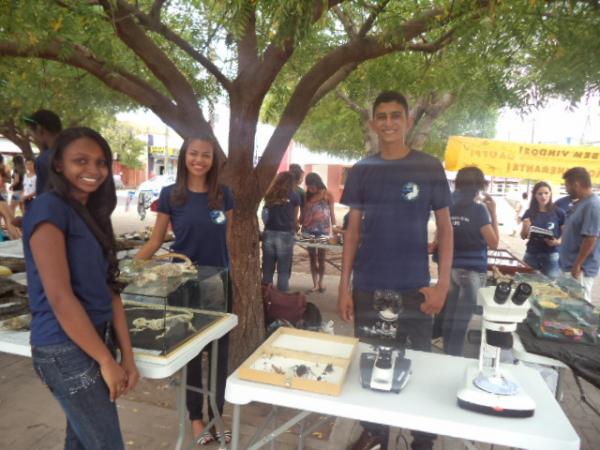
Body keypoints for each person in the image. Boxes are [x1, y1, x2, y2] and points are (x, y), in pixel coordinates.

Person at [338, 90, 453, 450]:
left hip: (415, 288)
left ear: (407, 121)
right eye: (382, 116)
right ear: (374, 122)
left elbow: (446, 228)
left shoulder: (428, 167)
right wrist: (344, 287)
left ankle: (422, 438)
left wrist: (443, 284)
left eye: (395, 116)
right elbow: (352, 231)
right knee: (370, 365)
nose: (388, 123)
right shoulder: (362, 170)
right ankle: (376, 433)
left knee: (419, 365)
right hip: (369, 286)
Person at [23, 127, 139, 449]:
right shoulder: (49, 208)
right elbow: (60, 297)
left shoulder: (90, 213)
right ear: (58, 164)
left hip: (94, 340)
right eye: (81, 160)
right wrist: (105, 360)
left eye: (101, 162)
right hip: (64, 348)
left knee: (81, 440)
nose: (93, 170)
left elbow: (110, 291)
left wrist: (127, 358)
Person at [135, 135, 234, 445]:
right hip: (182, 285)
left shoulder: (224, 195)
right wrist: (126, 270)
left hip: (218, 284)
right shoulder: (170, 196)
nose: (199, 160)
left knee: (219, 355)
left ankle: (216, 415)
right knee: (190, 354)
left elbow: (226, 241)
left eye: (206, 155)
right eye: (194, 154)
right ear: (184, 157)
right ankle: (195, 418)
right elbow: (155, 241)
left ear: (213, 161)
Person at [439, 167, 498, 356]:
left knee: (450, 316)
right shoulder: (479, 210)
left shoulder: (449, 206)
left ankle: (447, 354)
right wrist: (493, 213)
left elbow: (440, 236)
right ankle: (453, 359)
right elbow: (494, 242)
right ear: (479, 186)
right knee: (461, 321)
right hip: (471, 271)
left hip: (451, 269)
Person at [559, 167, 600, 304]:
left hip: (579, 270)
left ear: (576, 185)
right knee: (566, 307)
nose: (566, 190)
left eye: (567, 186)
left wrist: (577, 265)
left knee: (578, 309)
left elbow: (591, 238)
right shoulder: (580, 204)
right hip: (570, 266)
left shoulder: (593, 205)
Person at [262, 171, 301, 291]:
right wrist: (295, 227)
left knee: (267, 269)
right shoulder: (294, 196)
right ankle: (280, 301)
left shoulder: (269, 194)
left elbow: (264, 215)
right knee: (283, 271)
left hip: (269, 233)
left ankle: (266, 298)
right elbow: (295, 218)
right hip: (285, 234)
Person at [519, 182, 565, 279]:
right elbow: (523, 236)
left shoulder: (559, 212)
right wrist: (525, 227)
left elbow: (565, 234)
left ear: (550, 193)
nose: (543, 196)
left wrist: (557, 241)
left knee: (551, 287)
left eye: (546, 193)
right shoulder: (529, 212)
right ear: (535, 195)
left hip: (551, 255)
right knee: (525, 282)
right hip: (532, 254)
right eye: (540, 194)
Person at [301, 172, 336, 293]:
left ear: (317, 183)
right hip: (308, 231)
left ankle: (321, 282)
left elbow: (332, 213)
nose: (310, 188)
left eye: (312, 186)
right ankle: (314, 283)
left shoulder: (328, 194)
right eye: (308, 186)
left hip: (323, 231)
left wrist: (335, 228)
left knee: (321, 257)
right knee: (311, 257)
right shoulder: (306, 196)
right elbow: (303, 213)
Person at [23, 109, 62, 196]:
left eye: (32, 132)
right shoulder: (75, 154)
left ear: (40, 130)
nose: (32, 136)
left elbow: (44, 197)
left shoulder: (44, 160)